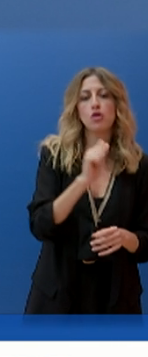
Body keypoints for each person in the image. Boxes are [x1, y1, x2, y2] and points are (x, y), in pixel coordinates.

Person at [25, 66, 148, 314]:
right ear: (76, 108)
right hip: (58, 296)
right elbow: (40, 224)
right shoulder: (54, 156)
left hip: (115, 299)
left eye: (103, 95)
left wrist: (127, 238)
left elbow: (147, 239)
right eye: (85, 97)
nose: (95, 104)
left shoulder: (138, 164)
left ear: (117, 105)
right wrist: (83, 180)